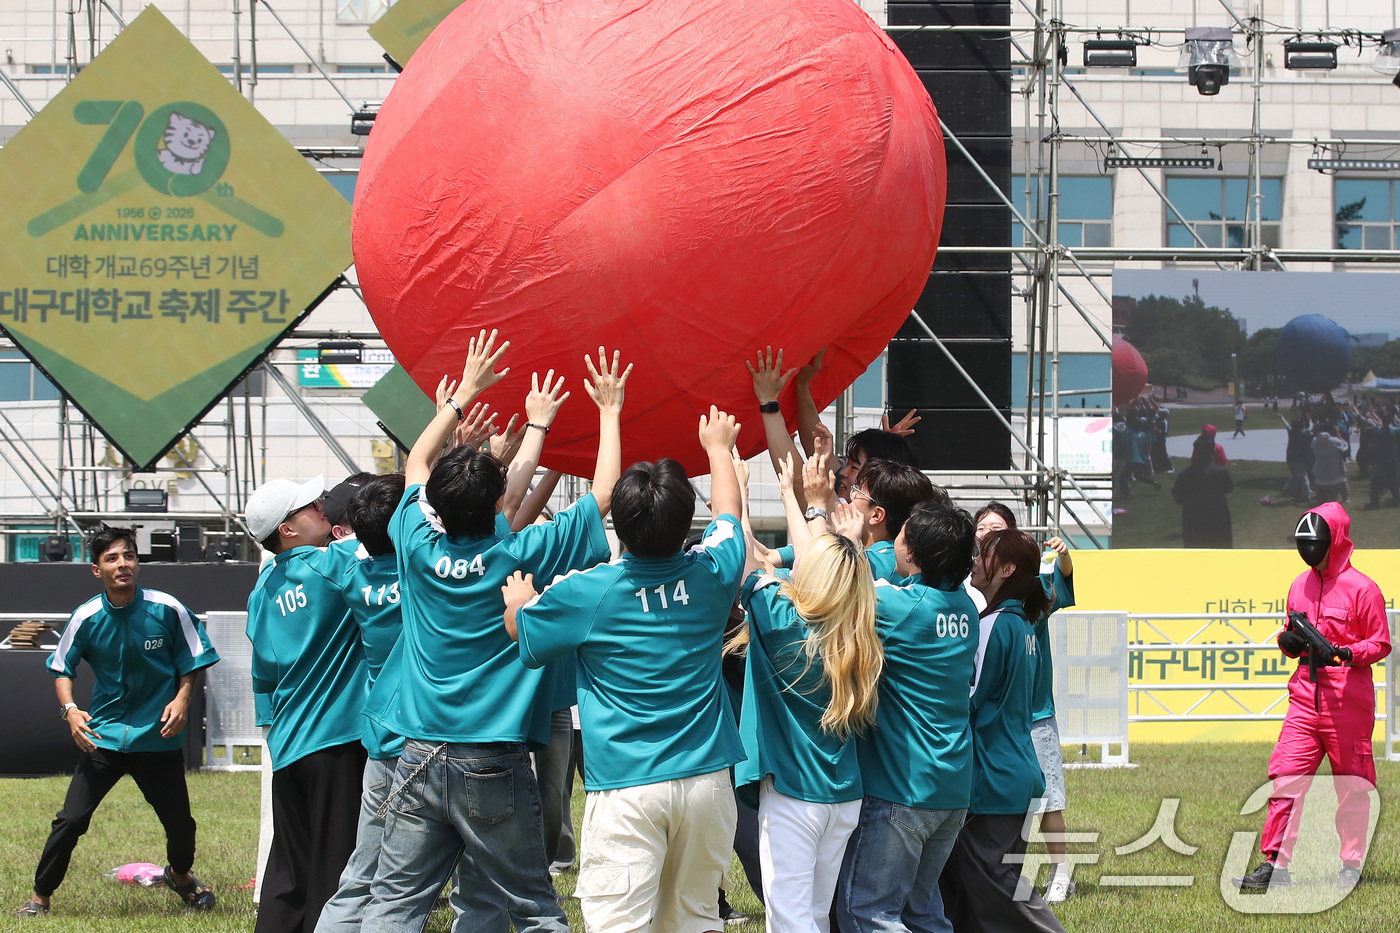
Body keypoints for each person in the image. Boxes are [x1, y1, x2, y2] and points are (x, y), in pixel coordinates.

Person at [359, 336, 627, 933]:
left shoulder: (416, 545)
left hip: (417, 753)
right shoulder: (520, 553)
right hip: (495, 759)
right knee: (532, 908)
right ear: (498, 503)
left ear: (434, 506)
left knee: (394, 905)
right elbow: (604, 493)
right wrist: (601, 411)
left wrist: (461, 397)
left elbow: (415, 466)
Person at [505, 406, 747, 933]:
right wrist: (718, 449)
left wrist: (519, 601)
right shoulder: (714, 572)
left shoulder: (589, 590)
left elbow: (520, 632)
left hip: (627, 788)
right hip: (707, 779)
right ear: (686, 522)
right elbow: (729, 512)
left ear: (620, 521)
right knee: (697, 918)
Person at [16, 526, 220, 920]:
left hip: (157, 738)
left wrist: (182, 698)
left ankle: (179, 876)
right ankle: (40, 898)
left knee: (181, 826)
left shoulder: (168, 608)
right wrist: (71, 711)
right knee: (71, 820)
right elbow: (61, 668)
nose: (122, 564)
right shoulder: (87, 616)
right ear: (97, 570)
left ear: (137, 562)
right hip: (103, 738)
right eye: (111, 558)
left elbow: (192, 660)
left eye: (128, 555)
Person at [729, 453, 882, 933]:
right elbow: (825, 568)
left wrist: (738, 489)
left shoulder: (783, 621)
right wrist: (811, 506)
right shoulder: (861, 630)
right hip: (843, 797)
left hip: (796, 796)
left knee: (791, 919)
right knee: (815, 915)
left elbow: (742, 556)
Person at [837, 500, 980, 933]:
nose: (894, 537)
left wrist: (848, 539)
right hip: (951, 788)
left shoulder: (902, 609)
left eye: (902, 534)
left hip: (902, 787)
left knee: (869, 913)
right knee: (922, 911)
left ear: (912, 554)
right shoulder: (965, 609)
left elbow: (842, 586)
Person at [1234, 504, 1390, 891]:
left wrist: (1348, 653)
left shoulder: (1364, 589)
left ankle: (1350, 868)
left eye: (1314, 544)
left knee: (1352, 787)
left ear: (1334, 541)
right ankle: (1275, 867)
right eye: (1303, 545)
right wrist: (1287, 641)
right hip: (1304, 699)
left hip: (1347, 702)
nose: (1308, 551)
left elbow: (1381, 642)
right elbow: (1290, 631)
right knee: (1286, 778)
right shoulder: (1298, 585)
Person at [245, 473, 368, 933]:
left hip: (290, 747)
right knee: (335, 872)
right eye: (310, 506)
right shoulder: (334, 561)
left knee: (288, 870)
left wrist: (275, 734)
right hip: (337, 741)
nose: (323, 508)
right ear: (287, 530)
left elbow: (263, 675)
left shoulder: (262, 590)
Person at [940, 529, 1065, 933]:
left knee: (994, 882)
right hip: (1017, 771)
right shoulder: (1023, 624)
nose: (976, 561)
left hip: (995, 776)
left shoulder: (994, 624)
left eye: (985, 555)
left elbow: (967, 697)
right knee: (967, 886)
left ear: (1007, 569)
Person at [966, 504, 1076, 902]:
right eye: (981, 531)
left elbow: (971, 697)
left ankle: (1062, 873)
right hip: (1010, 761)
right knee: (996, 885)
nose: (983, 541)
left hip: (1003, 759)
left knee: (998, 890)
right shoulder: (1002, 607)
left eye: (994, 535)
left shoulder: (1008, 616)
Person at [1171, 435, 1234, 548]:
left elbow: (1177, 495)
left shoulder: (1186, 473)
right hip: (1218, 518)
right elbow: (1228, 488)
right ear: (1213, 450)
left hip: (1194, 519)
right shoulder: (1221, 472)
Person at [1311, 429, 1349, 504]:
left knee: (1322, 499)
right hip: (1334, 473)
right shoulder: (1335, 441)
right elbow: (1345, 448)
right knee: (1342, 479)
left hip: (1320, 475)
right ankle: (1346, 498)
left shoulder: (1314, 442)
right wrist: (1340, 436)